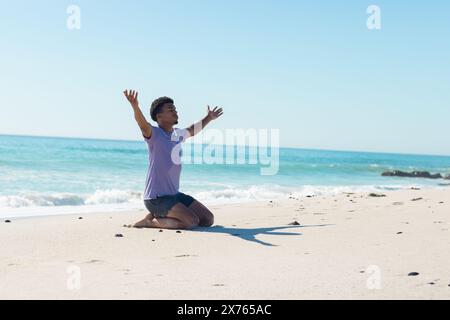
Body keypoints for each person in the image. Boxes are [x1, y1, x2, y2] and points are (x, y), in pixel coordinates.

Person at [123, 89, 223, 230]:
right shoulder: (154, 134)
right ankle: (150, 222)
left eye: (175, 108)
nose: (175, 111)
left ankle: (156, 215)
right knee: (191, 221)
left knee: (207, 219)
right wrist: (135, 106)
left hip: (173, 195)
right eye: (170, 109)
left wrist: (209, 117)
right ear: (159, 116)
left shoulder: (176, 134)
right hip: (156, 198)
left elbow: (192, 130)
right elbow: (142, 123)